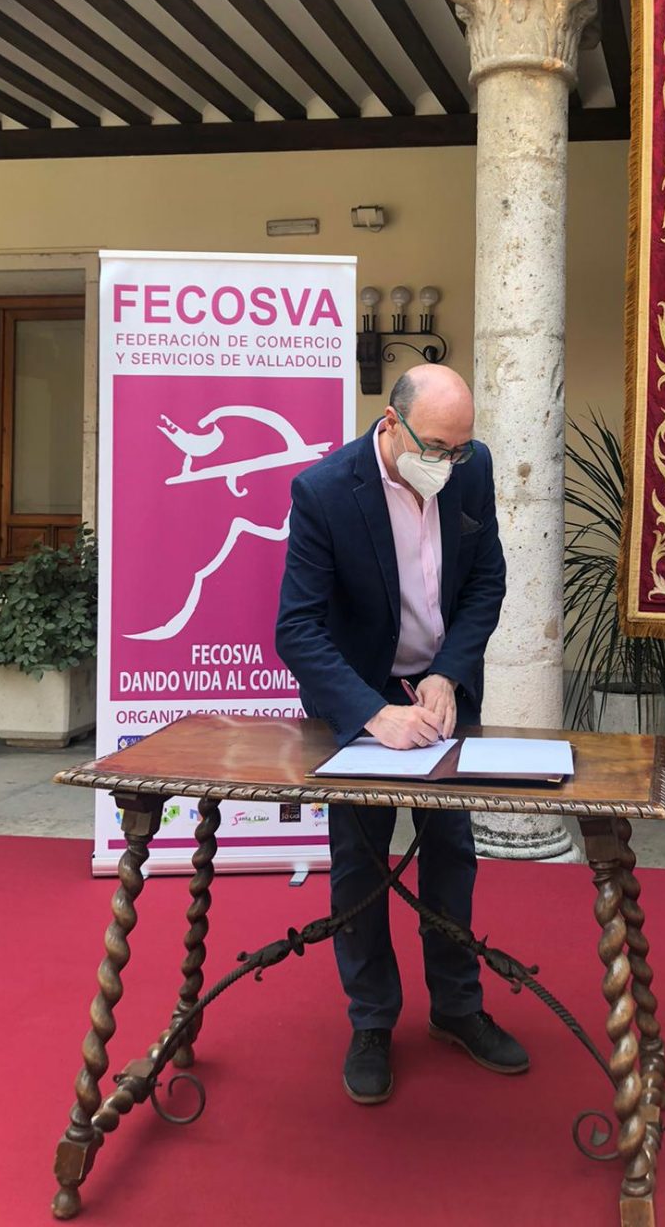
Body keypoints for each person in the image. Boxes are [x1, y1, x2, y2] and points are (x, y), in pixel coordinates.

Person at [275, 363, 528, 1104]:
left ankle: (457, 1006)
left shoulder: (470, 470)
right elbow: (297, 627)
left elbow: (486, 582)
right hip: (364, 696)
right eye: (436, 447)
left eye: (460, 447)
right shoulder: (325, 491)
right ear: (392, 425)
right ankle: (372, 1020)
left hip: (441, 689)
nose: (449, 463)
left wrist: (449, 672)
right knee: (360, 861)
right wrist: (372, 711)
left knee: (451, 849)